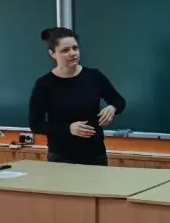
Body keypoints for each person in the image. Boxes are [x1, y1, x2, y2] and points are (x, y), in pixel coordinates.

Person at [29, 27, 126, 166]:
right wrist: (68, 129)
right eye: (65, 50)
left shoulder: (94, 76)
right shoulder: (44, 84)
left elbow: (119, 101)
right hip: (62, 157)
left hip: (96, 155)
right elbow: (36, 125)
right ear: (52, 53)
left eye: (75, 48)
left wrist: (112, 107)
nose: (73, 53)